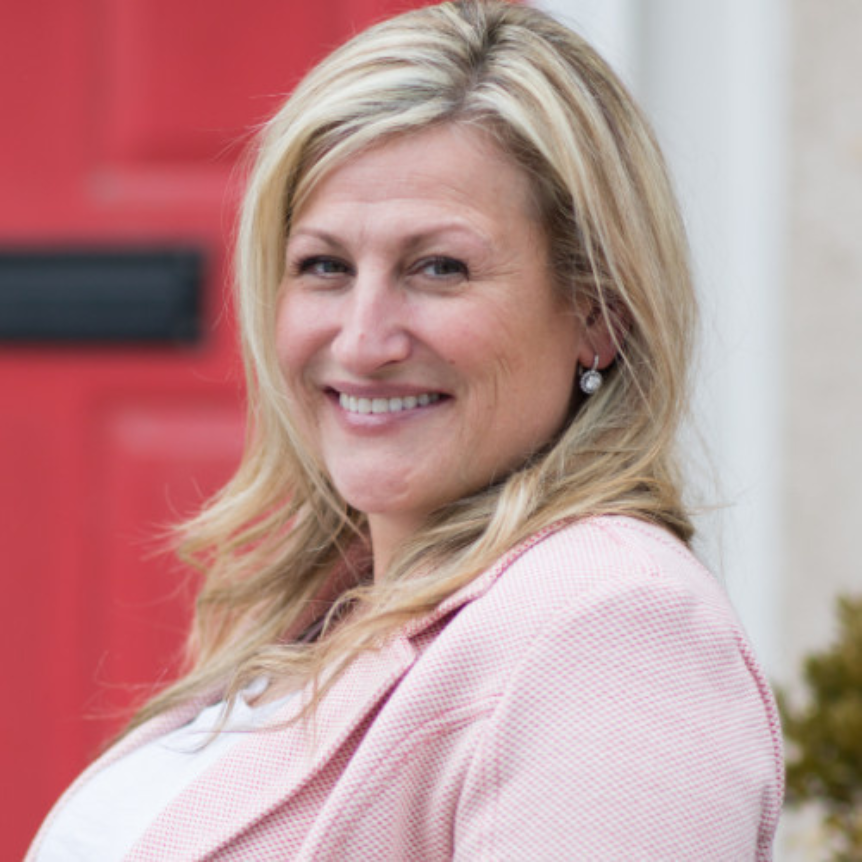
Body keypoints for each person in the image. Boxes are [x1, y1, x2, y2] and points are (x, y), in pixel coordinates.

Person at [28, 1, 784, 859]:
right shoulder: (327, 614)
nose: (362, 339)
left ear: (597, 317)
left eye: (438, 268)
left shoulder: (612, 631)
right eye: (325, 266)